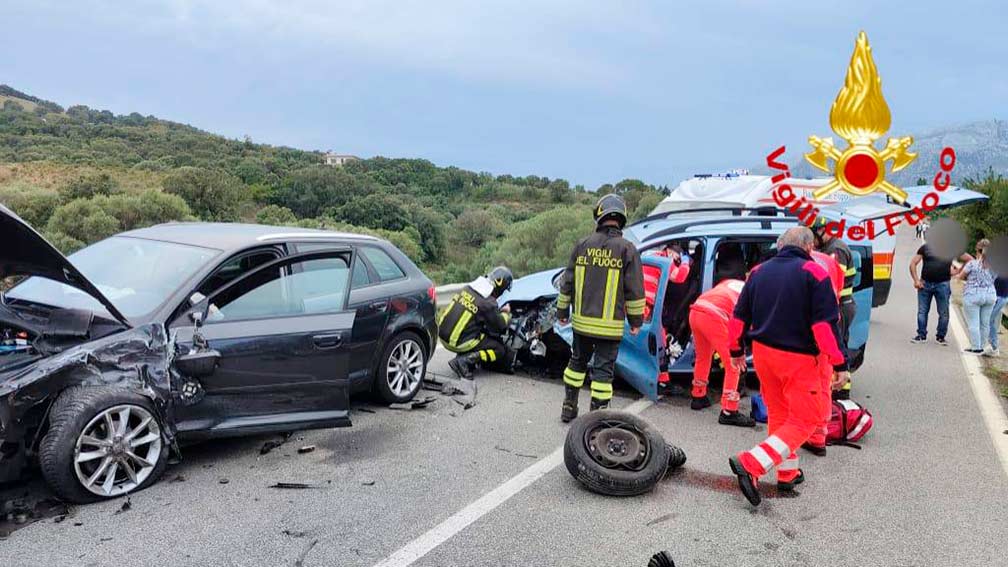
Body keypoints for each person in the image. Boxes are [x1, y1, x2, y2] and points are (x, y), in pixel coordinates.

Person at [726, 227, 849, 506]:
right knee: (806, 420)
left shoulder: (758, 272)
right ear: (809, 248)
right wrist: (840, 361)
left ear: (781, 246)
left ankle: (787, 473)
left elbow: (738, 317)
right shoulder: (815, 273)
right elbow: (823, 327)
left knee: (780, 414)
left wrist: (735, 350)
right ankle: (751, 463)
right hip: (800, 358)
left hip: (764, 355)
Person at [556, 194, 645, 422]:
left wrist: (562, 313)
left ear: (599, 216)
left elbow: (567, 283)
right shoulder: (627, 249)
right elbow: (634, 290)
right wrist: (636, 322)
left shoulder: (582, 245)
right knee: (603, 373)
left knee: (576, 363)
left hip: (582, 324)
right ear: (622, 219)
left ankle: (569, 406)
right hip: (609, 328)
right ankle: (595, 419)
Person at [687, 277, 756, 427]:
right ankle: (729, 411)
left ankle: (698, 395)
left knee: (703, 357)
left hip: (696, 310)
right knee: (733, 363)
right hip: (714, 317)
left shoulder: (732, 282)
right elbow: (743, 325)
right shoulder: (754, 295)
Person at [803, 249, 846, 457]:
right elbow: (839, 290)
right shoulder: (830, 261)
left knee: (804, 387)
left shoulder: (797, 264)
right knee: (823, 385)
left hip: (806, 330)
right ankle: (819, 436)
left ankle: (799, 430)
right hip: (828, 325)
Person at [438, 266, 515, 379]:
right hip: (456, 342)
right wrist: (506, 314)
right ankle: (465, 361)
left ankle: (464, 355)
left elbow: (478, 310)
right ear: (501, 286)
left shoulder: (468, 288)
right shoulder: (488, 302)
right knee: (499, 349)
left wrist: (496, 311)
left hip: (442, 336)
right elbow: (500, 326)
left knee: (478, 330)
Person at [812, 219, 856, 399]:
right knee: (839, 345)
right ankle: (840, 388)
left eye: (813, 237)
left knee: (837, 347)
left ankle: (841, 391)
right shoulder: (829, 248)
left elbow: (831, 282)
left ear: (822, 231)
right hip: (841, 305)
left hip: (841, 306)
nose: (812, 242)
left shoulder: (835, 250)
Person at [909, 242, 954, 346]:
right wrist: (916, 280)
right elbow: (913, 263)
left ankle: (941, 336)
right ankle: (921, 335)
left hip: (943, 284)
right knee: (922, 311)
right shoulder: (925, 248)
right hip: (925, 284)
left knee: (944, 312)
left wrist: (960, 272)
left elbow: (968, 259)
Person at [958, 239, 997, 355]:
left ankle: (976, 348)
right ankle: (982, 346)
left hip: (973, 295)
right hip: (990, 295)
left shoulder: (972, 264)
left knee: (973, 322)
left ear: (977, 250)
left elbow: (961, 276)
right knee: (985, 323)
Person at [989, 272, 1007, 357]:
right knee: (988, 320)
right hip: (1000, 296)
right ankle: (992, 346)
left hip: (1000, 297)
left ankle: (994, 347)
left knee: (988, 320)